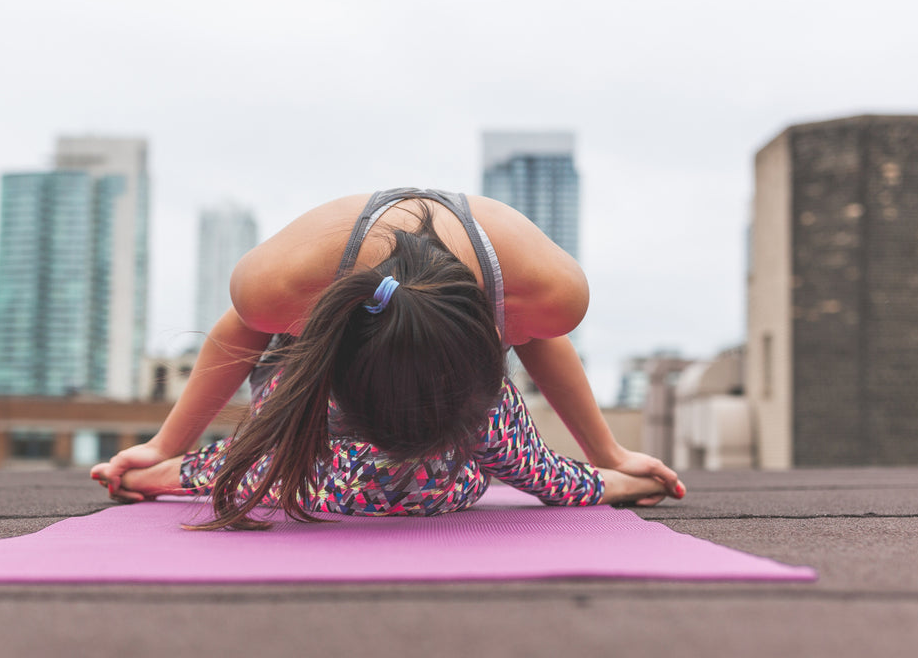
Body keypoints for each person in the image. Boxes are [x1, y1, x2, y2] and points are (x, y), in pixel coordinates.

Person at [91, 188, 684, 529]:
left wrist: (610, 463)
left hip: (455, 379)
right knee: (393, 483)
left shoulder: (547, 290)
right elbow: (241, 331)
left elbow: (539, 354)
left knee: (427, 479)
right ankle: (206, 469)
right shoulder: (277, 284)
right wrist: (165, 447)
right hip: (309, 375)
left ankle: (211, 470)